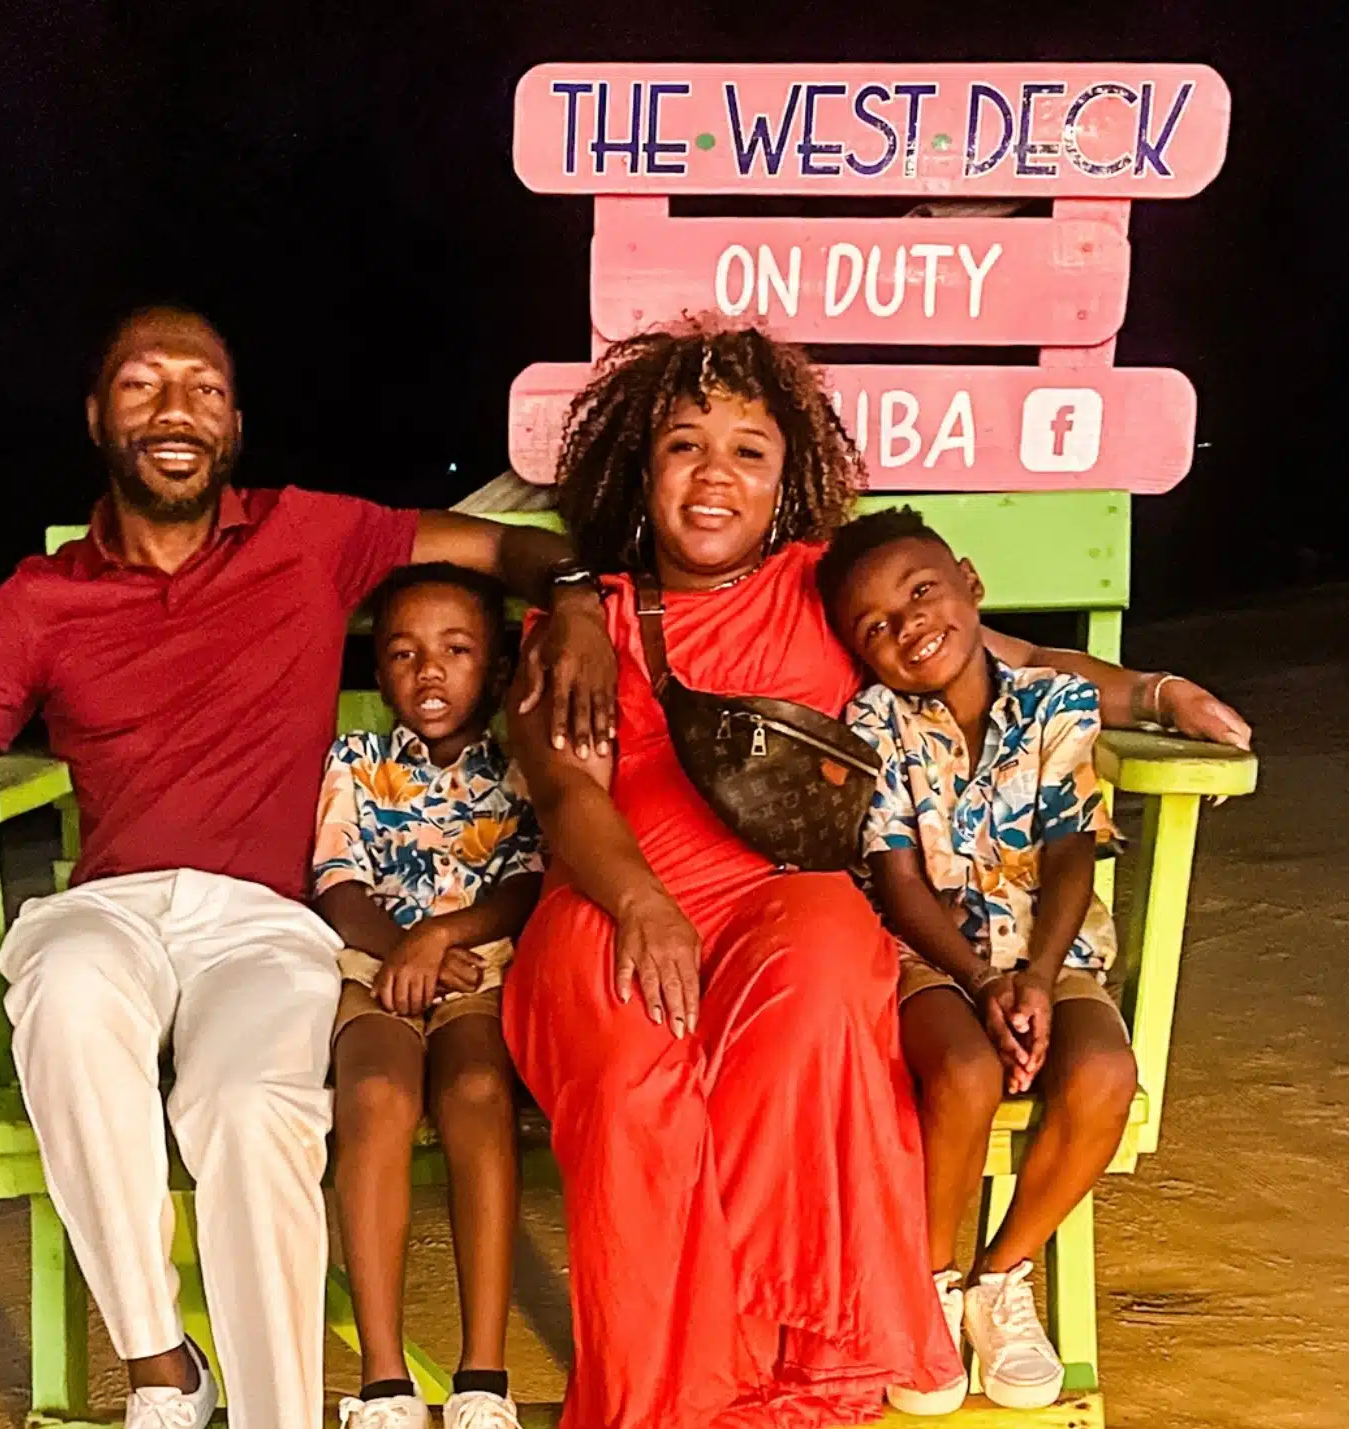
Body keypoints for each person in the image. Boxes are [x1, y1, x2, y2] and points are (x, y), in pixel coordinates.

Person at [500, 322, 1252, 1429]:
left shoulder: (821, 588)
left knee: (822, 971)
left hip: (773, 895)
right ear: (639, 463)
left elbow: (992, 656)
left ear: (784, 474)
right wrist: (640, 901)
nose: (714, 475)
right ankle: (665, 1400)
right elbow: (566, 794)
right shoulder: (583, 621)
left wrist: (1150, 692)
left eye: (748, 451)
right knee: (633, 1093)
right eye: (683, 444)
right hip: (613, 897)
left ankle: (772, 1369)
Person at [0, 305, 617, 1429]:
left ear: (233, 426)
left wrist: (571, 604)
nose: (175, 407)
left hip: (267, 920)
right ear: (97, 416)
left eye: (205, 388)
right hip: (113, 910)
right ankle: (162, 1372)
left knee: (244, 1106)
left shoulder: (307, 535)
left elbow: (504, 547)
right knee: (67, 987)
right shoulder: (39, 598)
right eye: (143, 385)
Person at [819, 507, 1138, 1414]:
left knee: (1105, 1071)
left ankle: (1003, 1276)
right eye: (876, 625)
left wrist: (1035, 977)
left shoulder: (1053, 700)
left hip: (1052, 951)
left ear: (969, 582)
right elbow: (898, 876)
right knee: (964, 1071)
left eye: (921, 592)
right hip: (931, 958)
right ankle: (931, 1285)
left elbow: (1073, 844)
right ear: (861, 652)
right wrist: (983, 980)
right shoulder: (874, 720)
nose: (909, 625)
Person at [313, 563, 541, 1429]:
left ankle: (482, 1377)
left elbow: (525, 882)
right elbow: (337, 882)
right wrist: (405, 946)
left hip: (477, 971)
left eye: (456, 650)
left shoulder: (520, 766)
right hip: (371, 965)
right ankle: (383, 1385)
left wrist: (441, 938)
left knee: (478, 1093)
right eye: (404, 654)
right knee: (372, 1095)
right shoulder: (357, 760)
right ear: (381, 673)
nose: (430, 671)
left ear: (496, 664)